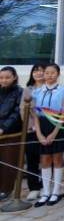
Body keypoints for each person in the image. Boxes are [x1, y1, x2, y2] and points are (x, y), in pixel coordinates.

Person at [32, 64, 64, 207]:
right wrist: (39, 134)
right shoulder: (37, 91)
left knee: (57, 159)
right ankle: (46, 192)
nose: (49, 75)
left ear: (58, 74)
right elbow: (35, 115)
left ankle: (55, 192)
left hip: (57, 126)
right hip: (42, 126)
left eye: (53, 73)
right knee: (45, 159)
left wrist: (54, 133)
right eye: (47, 73)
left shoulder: (63, 90)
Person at [23, 63, 45, 201]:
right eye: (35, 71)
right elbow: (23, 110)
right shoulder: (27, 90)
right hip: (31, 130)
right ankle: (34, 188)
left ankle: (44, 186)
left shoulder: (50, 88)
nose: (38, 73)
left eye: (41, 70)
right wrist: (32, 126)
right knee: (32, 159)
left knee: (46, 159)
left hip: (47, 127)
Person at [0, 67, 22, 200]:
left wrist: (3, 128)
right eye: (1, 78)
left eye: (7, 77)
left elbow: (16, 113)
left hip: (11, 133)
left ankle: (6, 190)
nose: (4, 80)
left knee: (8, 162)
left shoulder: (20, 92)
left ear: (14, 77)